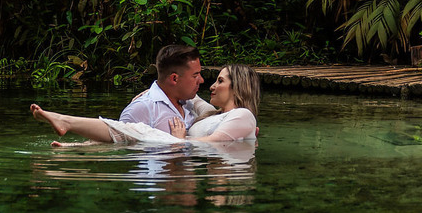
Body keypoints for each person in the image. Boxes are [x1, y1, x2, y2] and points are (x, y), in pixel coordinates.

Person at [30, 63, 260, 146]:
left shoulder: (242, 116)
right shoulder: (211, 113)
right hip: (173, 149)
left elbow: (213, 143)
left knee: (139, 130)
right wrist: (155, 92)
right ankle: (79, 146)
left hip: (179, 149)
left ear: (237, 88)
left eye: (220, 81)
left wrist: (180, 141)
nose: (211, 85)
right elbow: (192, 96)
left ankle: (66, 121)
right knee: (134, 134)